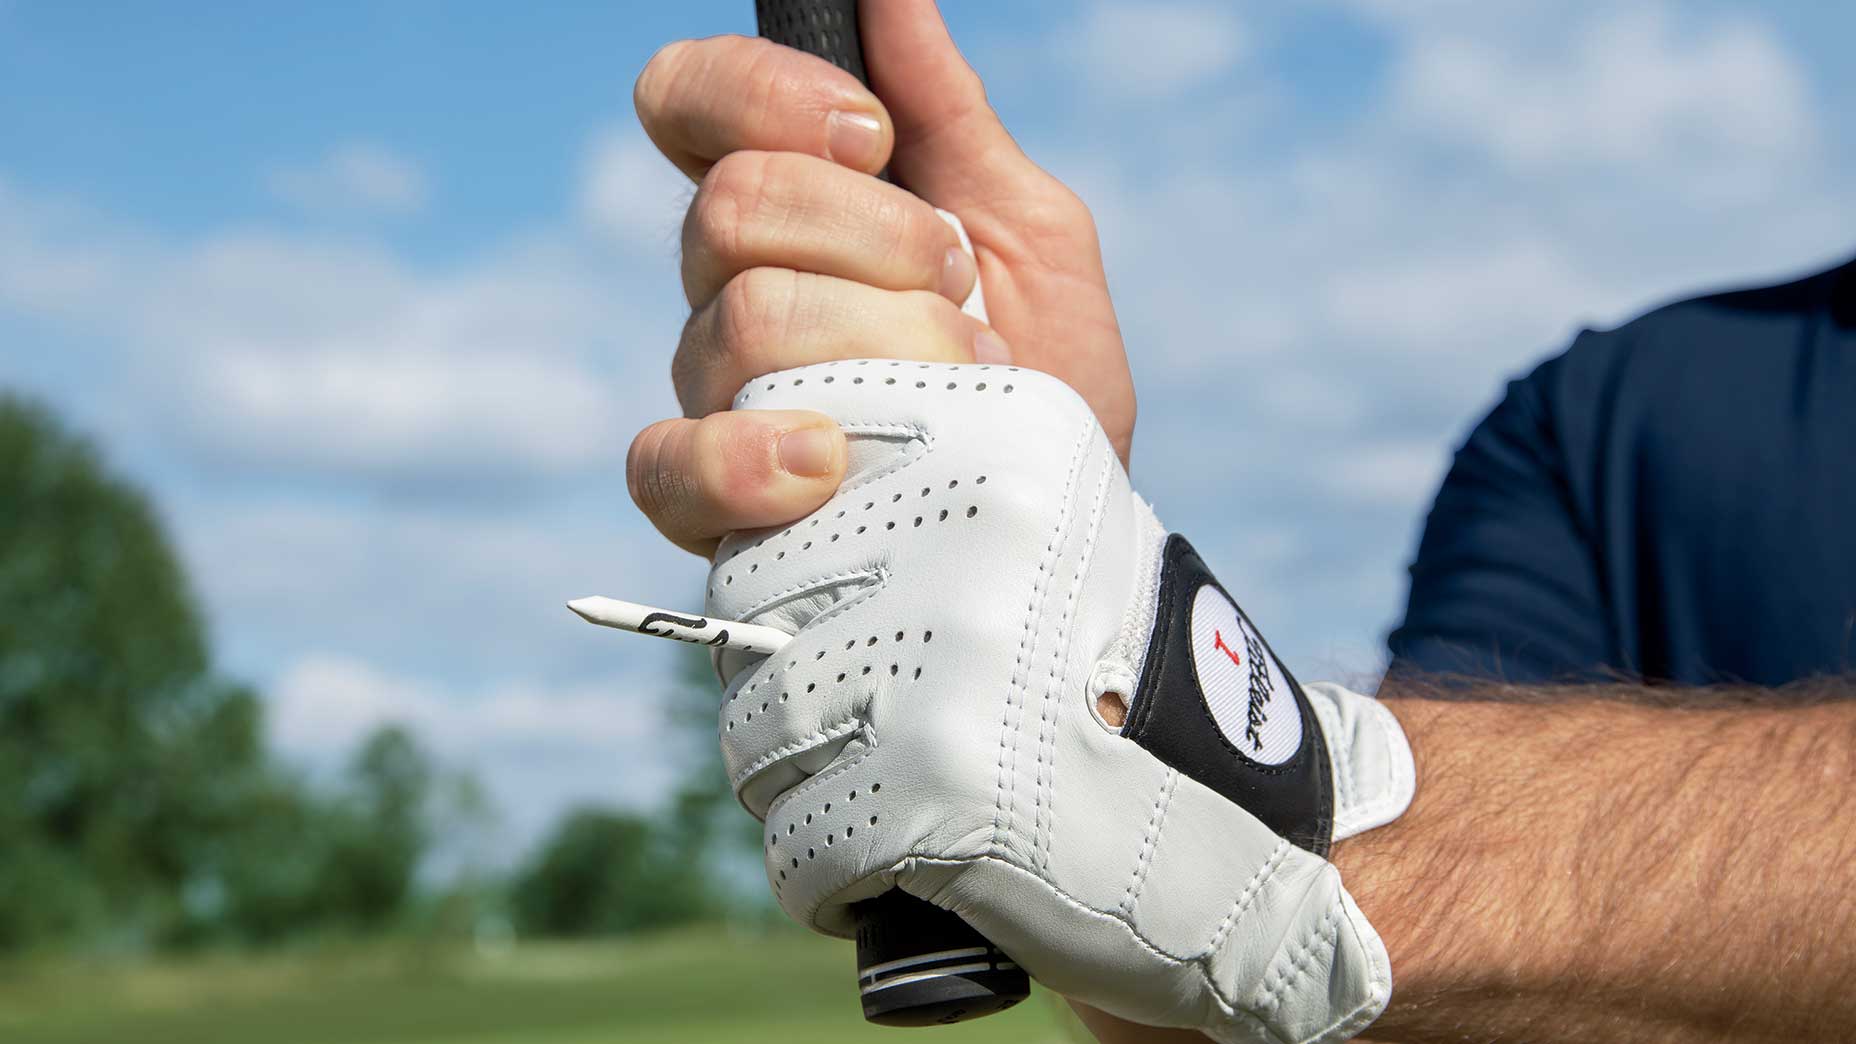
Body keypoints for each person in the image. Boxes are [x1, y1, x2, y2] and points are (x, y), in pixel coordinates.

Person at [622, 3, 1856, 1040]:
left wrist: (1275, 826)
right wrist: (1079, 577)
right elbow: (1377, 1004)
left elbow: (1357, 905)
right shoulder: (1598, 424)